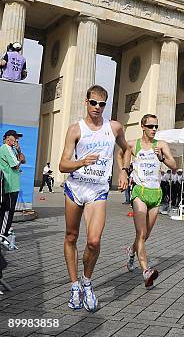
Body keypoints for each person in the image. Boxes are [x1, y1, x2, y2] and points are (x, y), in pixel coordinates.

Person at [59, 84, 130, 311]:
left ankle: (87, 282)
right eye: (93, 103)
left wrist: (124, 171)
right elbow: (62, 164)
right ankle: (74, 286)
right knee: (71, 236)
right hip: (75, 188)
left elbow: (126, 149)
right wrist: (81, 162)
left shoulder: (114, 127)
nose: (97, 107)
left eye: (101, 104)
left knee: (94, 241)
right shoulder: (75, 129)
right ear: (86, 102)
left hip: (98, 190)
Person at [125, 114, 177, 287]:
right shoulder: (133, 144)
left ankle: (132, 251)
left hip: (156, 193)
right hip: (140, 191)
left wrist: (162, 157)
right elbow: (121, 153)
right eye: (150, 126)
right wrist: (124, 171)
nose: (154, 129)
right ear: (142, 126)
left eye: (156, 126)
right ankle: (146, 271)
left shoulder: (161, 145)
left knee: (145, 234)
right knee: (140, 233)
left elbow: (174, 166)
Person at [0, 130, 25, 248]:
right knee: (7, 211)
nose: (16, 139)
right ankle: (2, 234)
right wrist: (19, 160)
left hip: (14, 184)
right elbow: (16, 165)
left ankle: (6, 230)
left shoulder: (13, 149)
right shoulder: (5, 148)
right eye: (14, 137)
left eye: (17, 138)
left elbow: (23, 160)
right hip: (8, 184)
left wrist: (19, 150)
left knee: (10, 211)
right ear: (7, 138)